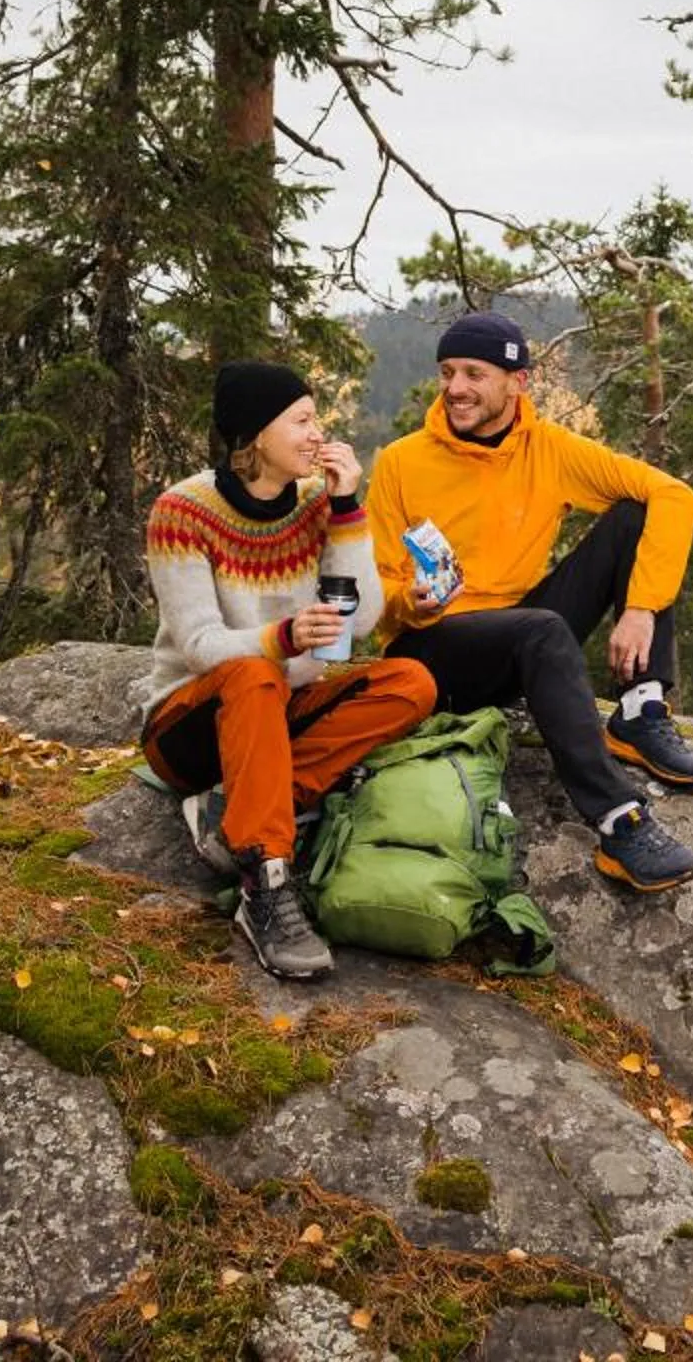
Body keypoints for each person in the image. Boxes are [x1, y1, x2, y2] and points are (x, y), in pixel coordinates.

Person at [368, 309, 693, 893]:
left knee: (636, 514)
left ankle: (642, 708)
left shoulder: (548, 450)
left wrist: (639, 608)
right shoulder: (402, 462)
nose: (456, 388)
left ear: (517, 383)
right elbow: (371, 587)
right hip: (429, 649)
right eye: (448, 372)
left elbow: (674, 495)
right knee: (543, 628)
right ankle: (619, 823)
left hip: (516, 634)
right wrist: (412, 599)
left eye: (474, 374)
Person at [139, 360, 438, 981]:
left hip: (276, 716)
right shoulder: (181, 511)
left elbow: (361, 624)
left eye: (314, 420)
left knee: (411, 682)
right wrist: (282, 637)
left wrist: (348, 505)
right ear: (256, 434)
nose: (316, 434)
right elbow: (199, 644)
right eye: (301, 420)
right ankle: (265, 882)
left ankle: (238, 808)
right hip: (191, 722)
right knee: (257, 674)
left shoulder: (315, 502)